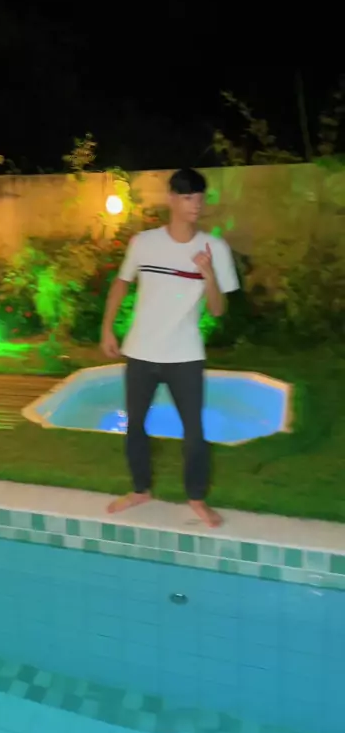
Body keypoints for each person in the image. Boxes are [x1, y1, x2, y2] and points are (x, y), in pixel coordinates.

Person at [100, 167, 239, 527]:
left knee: (194, 432)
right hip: (140, 351)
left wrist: (209, 276)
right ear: (172, 199)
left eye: (200, 197)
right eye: (189, 197)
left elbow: (218, 309)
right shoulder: (144, 243)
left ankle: (196, 497)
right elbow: (121, 283)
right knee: (135, 426)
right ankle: (140, 489)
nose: (196, 204)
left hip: (185, 355)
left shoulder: (215, 248)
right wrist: (107, 328)